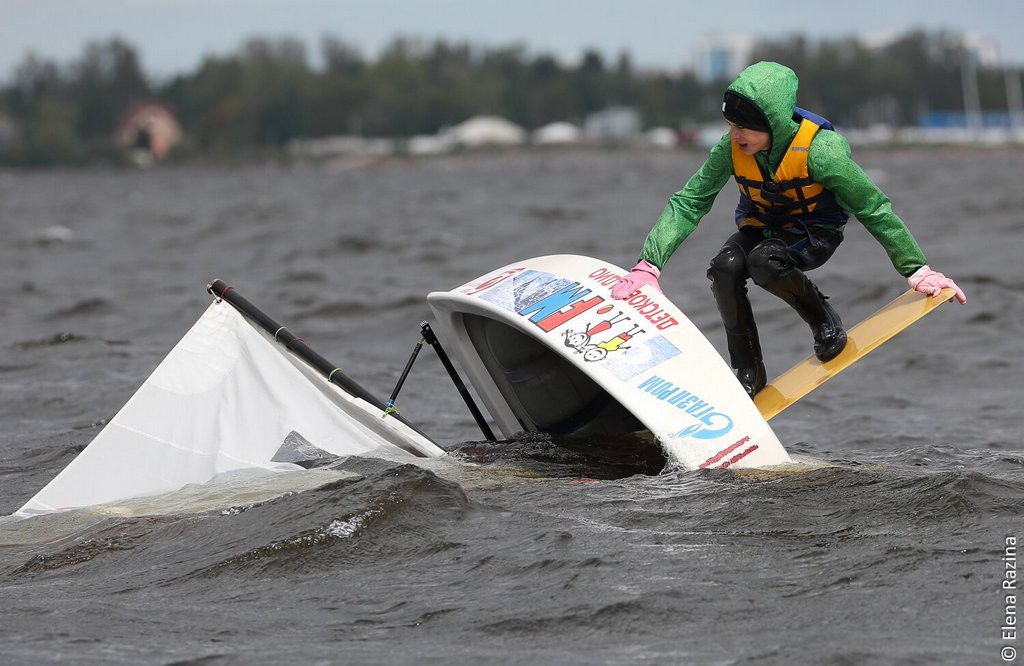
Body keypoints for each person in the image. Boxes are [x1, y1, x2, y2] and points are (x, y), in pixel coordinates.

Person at [610, 61, 967, 398]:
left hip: (815, 231)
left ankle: (825, 323)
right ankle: (749, 373)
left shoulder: (821, 152)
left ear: (773, 123)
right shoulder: (729, 149)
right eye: (730, 125)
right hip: (763, 226)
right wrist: (649, 264)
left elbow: (873, 207)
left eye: (744, 127)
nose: (734, 136)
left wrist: (916, 269)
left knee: (764, 262)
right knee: (725, 267)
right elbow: (690, 201)